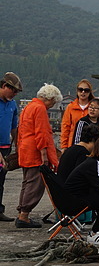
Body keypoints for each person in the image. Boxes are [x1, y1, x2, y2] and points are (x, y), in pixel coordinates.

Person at [16, 83, 62, 228]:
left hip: (25, 149)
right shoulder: (40, 108)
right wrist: (44, 154)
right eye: (53, 102)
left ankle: (22, 213)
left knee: (27, 182)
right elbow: (41, 133)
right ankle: (24, 215)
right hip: (35, 151)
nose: (52, 105)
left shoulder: (28, 107)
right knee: (35, 184)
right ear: (49, 98)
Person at [0, 72, 23, 222]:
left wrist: (17, 144)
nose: (14, 94)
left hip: (5, 146)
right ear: (3, 86)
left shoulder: (13, 104)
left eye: (17, 92)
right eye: (13, 90)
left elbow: (14, 126)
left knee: (1, 179)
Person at [60, 79, 95, 151]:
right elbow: (65, 127)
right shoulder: (70, 107)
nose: (83, 92)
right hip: (73, 144)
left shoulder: (94, 107)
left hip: (90, 145)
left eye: (86, 90)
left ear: (90, 92)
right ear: (77, 91)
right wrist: (64, 146)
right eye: (80, 89)